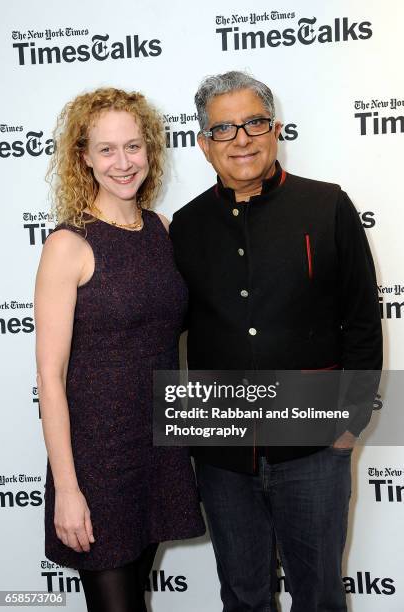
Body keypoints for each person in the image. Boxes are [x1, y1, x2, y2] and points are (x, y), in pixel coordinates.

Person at [169, 71, 382, 611]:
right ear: (203, 143)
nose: (241, 138)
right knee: (242, 597)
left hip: (314, 443)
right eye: (224, 129)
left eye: (254, 122)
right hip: (221, 449)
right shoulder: (187, 226)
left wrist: (349, 424)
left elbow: (361, 322)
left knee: (320, 597)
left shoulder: (327, 205)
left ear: (275, 128)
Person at [35, 87, 204, 612]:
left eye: (133, 146)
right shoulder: (70, 244)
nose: (123, 162)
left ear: (150, 149)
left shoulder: (162, 230)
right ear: (83, 156)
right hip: (97, 461)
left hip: (158, 449)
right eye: (106, 149)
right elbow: (50, 374)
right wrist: (67, 487)